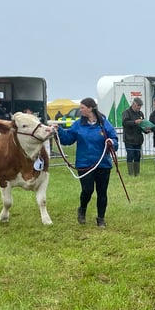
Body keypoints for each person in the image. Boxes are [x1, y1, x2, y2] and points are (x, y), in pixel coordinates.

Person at [54, 97, 118, 227]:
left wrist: (111, 142)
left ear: (90, 108)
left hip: (103, 164)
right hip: (85, 164)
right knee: (87, 190)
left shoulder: (104, 123)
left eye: (82, 108)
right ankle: (82, 209)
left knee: (102, 192)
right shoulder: (78, 124)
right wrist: (59, 131)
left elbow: (114, 139)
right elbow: (68, 139)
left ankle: (101, 219)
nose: (80, 110)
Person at [122, 97, 146, 176]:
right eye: (138, 106)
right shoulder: (126, 112)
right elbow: (125, 123)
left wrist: (146, 130)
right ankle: (131, 173)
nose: (139, 108)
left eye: (140, 107)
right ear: (133, 104)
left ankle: (137, 173)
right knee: (130, 155)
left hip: (138, 139)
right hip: (129, 139)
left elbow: (142, 125)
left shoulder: (140, 113)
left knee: (137, 155)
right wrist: (135, 122)